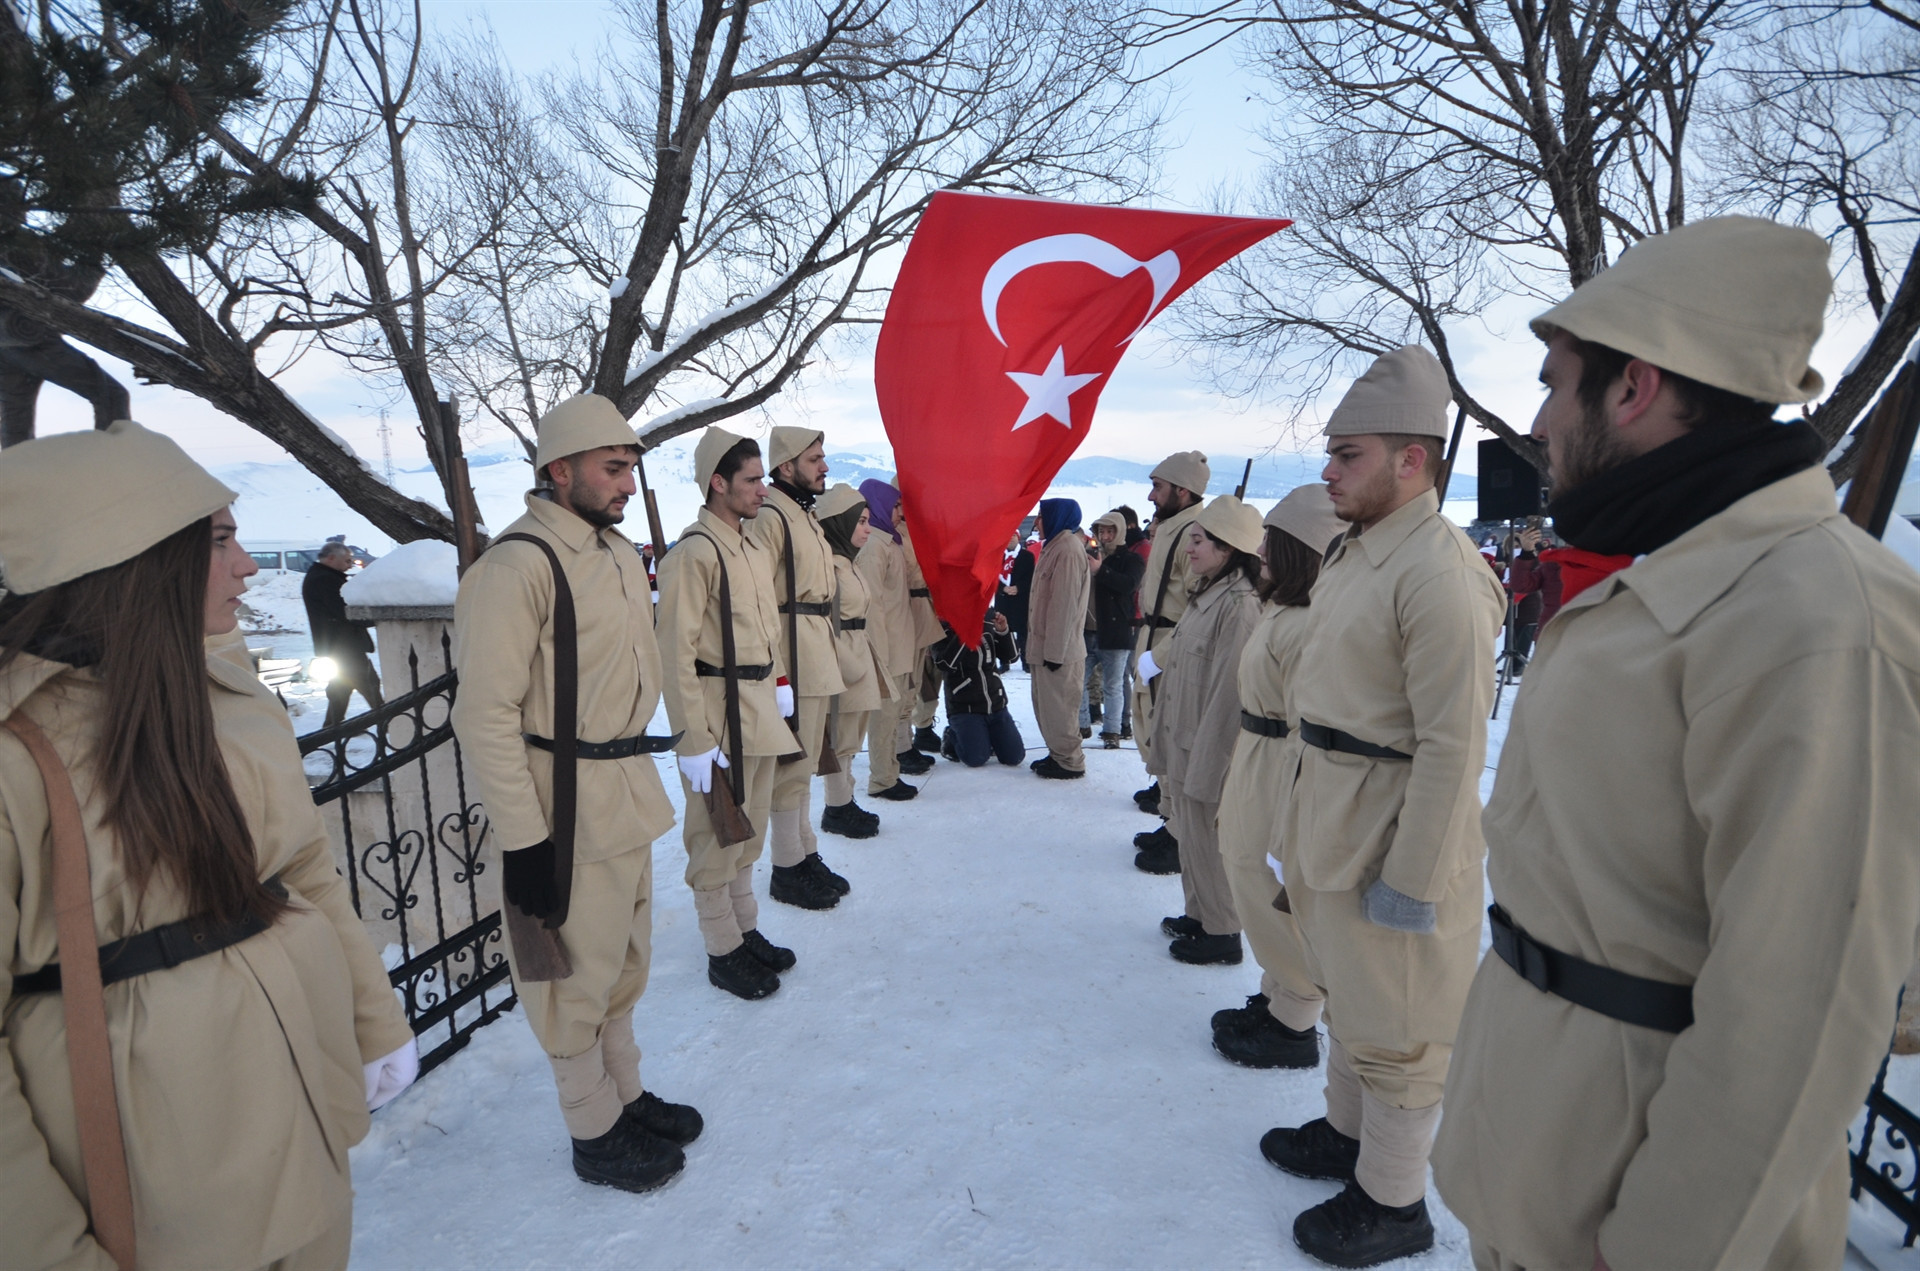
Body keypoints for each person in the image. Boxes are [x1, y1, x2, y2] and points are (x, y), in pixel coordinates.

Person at [1433, 216, 1920, 1271]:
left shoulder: (1817, 614)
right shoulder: (1690, 571)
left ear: (1636, 387)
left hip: (1638, 1218)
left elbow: (1800, 1008)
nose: (1539, 420)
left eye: (1557, 382)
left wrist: (1663, 1248)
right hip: (1549, 1169)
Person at [0, 420, 415, 1269]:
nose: (249, 566)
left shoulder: (229, 696)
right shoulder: (15, 756)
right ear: (133, 561)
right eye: (219, 540)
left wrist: (373, 1020)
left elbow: (304, 871)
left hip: (304, 1137)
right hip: (160, 1210)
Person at [1260, 345, 1505, 1266]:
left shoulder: (1439, 572)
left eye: (1347, 453)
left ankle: (1394, 1198)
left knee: (1401, 1025)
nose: (1328, 470)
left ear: (1413, 458)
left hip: (1391, 829)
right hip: (1331, 812)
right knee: (1353, 996)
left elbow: (1453, 743)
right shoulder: (1359, 552)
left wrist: (1413, 879)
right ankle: (1346, 1135)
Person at [451, 394, 700, 1192]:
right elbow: (483, 713)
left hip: (624, 787)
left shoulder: (617, 553)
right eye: (613, 467)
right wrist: (525, 838)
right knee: (571, 979)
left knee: (624, 962)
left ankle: (621, 1095)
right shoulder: (516, 564)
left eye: (630, 467)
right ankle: (594, 1129)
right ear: (560, 470)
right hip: (562, 803)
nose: (628, 483)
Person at [657, 428, 800, 1000]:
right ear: (719, 483)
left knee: (749, 832)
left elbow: (767, 629)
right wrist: (693, 738)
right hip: (720, 715)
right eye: (752, 479)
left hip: (759, 707)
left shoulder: (749, 546)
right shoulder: (694, 552)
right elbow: (675, 653)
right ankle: (722, 949)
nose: (762, 489)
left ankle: (744, 931)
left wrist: (782, 682)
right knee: (717, 836)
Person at [1210, 485, 1346, 1070]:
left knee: (1269, 890)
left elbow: (1309, 720)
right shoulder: (1283, 609)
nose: (1260, 549)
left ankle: (1294, 1019)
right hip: (1256, 756)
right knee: (1243, 872)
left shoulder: (1313, 623)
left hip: (1281, 764)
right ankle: (1276, 996)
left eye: (1273, 541)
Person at [1139, 496, 1265, 966]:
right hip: (1185, 737)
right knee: (1191, 837)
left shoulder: (1239, 606)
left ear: (1228, 547)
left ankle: (1222, 932)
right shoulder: (1209, 593)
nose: (1189, 548)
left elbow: (1231, 694)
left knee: (1210, 844)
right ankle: (1201, 914)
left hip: (1207, 747)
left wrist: (1211, 761)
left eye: (1199, 539)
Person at [748, 426, 849, 912]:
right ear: (786, 467)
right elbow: (760, 597)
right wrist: (778, 670)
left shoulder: (802, 516)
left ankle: (805, 852)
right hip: (791, 650)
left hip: (813, 645)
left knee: (807, 762)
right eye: (814, 459)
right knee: (791, 768)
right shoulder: (772, 517)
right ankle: (788, 866)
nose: (824, 467)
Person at [1132, 451, 1210, 830]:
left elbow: (1199, 609)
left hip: (1170, 647)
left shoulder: (1193, 534)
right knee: (1151, 731)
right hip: (1153, 637)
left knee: (1171, 736)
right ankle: (1166, 807)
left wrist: (1160, 655)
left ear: (1182, 491)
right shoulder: (1172, 528)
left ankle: (1177, 828)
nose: (1150, 497)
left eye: (1157, 487)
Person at [814, 482, 888, 839]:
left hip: (858, 654)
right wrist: (845, 663)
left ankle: (844, 799)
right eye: (859, 521)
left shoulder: (848, 563)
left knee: (850, 737)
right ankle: (837, 806)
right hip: (843, 661)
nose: (867, 528)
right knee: (839, 738)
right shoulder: (829, 567)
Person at [854, 479, 928, 800]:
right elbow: (870, 604)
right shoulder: (874, 546)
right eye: (895, 506)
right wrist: (877, 653)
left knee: (894, 711)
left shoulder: (890, 541)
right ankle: (882, 779)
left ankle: (890, 771)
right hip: (885, 649)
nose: (900, 512)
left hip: (899, 643)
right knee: (883, 717)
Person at [1026, 498, 1091, 780]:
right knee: (1048, 708)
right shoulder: (1055, 546)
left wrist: (1053, 653)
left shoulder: (1067, 550)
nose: (1037, 521)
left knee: (1061, 709)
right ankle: (1058, 754)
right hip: (1046, 647)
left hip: (1059, 651)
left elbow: (1063, 606)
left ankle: (1069, 761)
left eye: (1042, 515)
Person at [302, 540, 385, 727]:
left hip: (338, 644)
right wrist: (378, 619)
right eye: (347, 560)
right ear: (331, 558)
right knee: (368, 682)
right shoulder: (325, 579)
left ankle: (331, 726)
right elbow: (344, 612)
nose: (350, 565)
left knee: (342, 686)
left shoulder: (324, 576)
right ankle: (387, 720)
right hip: (344, 644)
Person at [1081, 511, 1143, 749]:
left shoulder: (1131, 559)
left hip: (1116, 632)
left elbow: (1129, 585)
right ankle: (1083, 725)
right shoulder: (1090, 555)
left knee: (1113, 686)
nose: (1105, 536)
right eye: (1101, 531)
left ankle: (1112, 732)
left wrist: (1101, 570)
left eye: (1110, 531)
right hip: (1087, 630)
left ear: (1120, 532)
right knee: (1078, 681)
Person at [932, 611, 1025, 767]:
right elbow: (945, 663)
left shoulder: (987, 618)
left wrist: (1003, 631)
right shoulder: (942, 626)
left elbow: (1011, 657)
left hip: (996, 705)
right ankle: (952, 735)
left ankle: (989, 735)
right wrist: (967, 633)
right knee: (976, 758)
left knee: (1014, 757)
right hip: (964, 707)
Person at [898, 492, 947, 754]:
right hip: (908, 610)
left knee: (925, 677)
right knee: (909, 683)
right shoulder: (895, 533)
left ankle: (922, 729)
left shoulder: (922, 530)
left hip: (928, 609)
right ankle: (906, 742)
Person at [996, 531, 1030, 667]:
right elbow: (991, 576)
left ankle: (1025, 661)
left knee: (1023, 632)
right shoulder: (998, 556)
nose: (1010, 538)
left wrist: (1019, 588)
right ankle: (1005, 661)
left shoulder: (1027, 556)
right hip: (1003, 599)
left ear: (1018, 538)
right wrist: (1002, 588)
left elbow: (1030, 576)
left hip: (1020, 600)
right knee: (1003, 631)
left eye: (1013, 535)